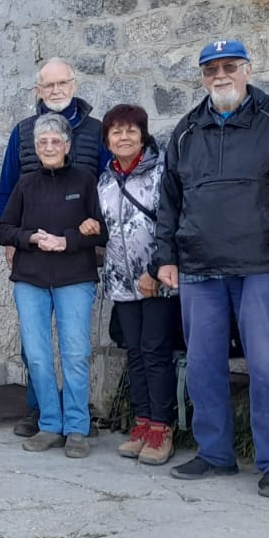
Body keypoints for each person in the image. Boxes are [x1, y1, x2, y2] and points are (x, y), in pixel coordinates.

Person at [154, 39, 269, 497]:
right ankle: (215, 452)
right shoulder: (185, 129)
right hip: (199, 263)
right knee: (202, 365)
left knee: (267, 364)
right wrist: (166, 257)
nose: (220, 75)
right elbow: (169, 201)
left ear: (247, 69)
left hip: (262, 261)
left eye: (229, 66)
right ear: (202, 76)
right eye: (210, 69)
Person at [0, 57, 105, 437]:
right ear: (38, 91)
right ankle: (44, 418)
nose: (56, 91)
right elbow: (6, 200)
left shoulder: (94, 144)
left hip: (77, 267)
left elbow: (102, 214)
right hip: (31, 268)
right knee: (38, 354)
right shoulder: (22, 141)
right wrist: (21, 240)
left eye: (62, 84)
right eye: (49, 85)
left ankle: (76, 425)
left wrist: (81, 238)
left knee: (75, 353)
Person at [96, 104, 180, 466]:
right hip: (120, 280)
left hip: (156, 278)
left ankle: (162, 427)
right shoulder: (105, 179)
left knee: (155, 352)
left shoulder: (161, 172)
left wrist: (155, 268)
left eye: (131, 130)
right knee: (135, 352)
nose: (124, 137)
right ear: (108, 140)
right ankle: (142, 422)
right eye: (116, 132)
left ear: (143, 135)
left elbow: (170, 221)